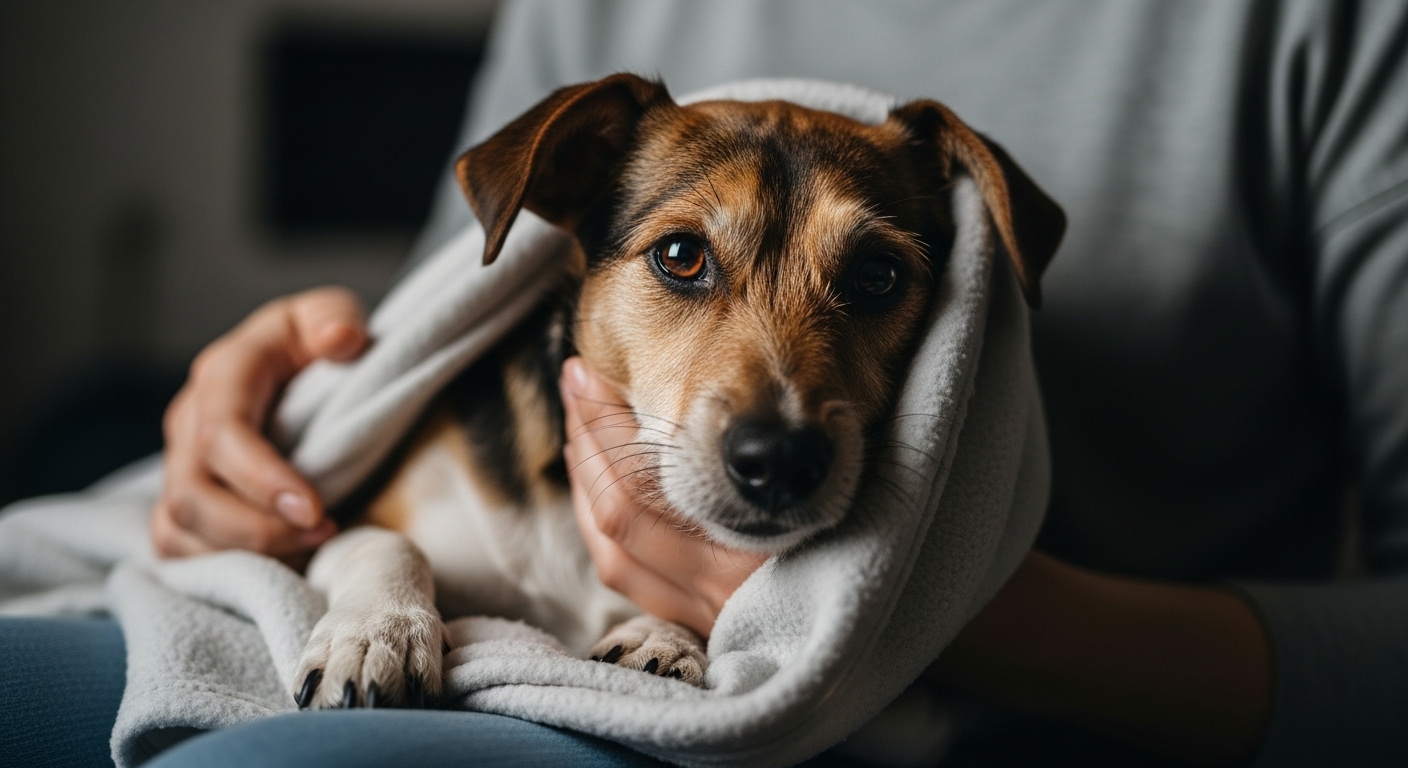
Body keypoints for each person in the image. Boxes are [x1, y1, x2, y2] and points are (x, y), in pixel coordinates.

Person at [5, 1, 1406, 766]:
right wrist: (282, 396)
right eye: (685, 260)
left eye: (867, 285)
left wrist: (929, 612)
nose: (777, 401)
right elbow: (450, 317)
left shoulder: (1330, 27)